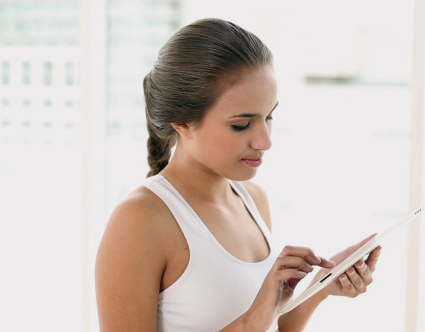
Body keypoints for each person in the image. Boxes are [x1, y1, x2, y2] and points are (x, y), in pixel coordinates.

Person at [95, 18, 382, 332]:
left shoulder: (254, 199)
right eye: (241, 125)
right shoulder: (140, 219)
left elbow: (269, 327)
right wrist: (250, 321)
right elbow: (253, 324)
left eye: (268, 116)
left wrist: (321, 287)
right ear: (183, 122)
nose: (265, 141)